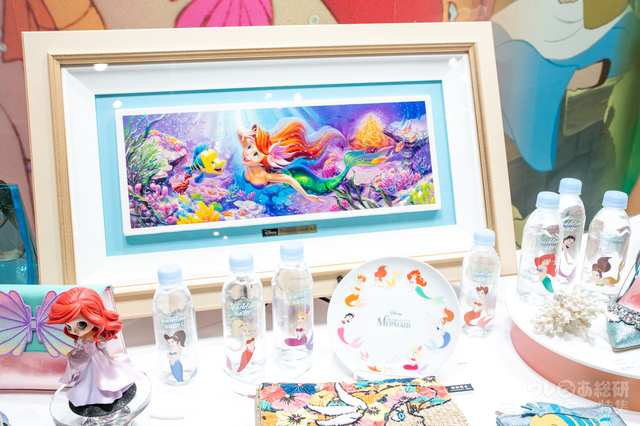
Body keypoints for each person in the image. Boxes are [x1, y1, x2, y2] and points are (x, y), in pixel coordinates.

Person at [46, 287, 138, 409]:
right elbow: (81, 348)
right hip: (87, 361)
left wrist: (109, 356)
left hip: (99, 360)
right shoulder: (82, 339)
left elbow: (102, 347)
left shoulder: (96, 337)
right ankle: (90, 395)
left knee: (105, 376)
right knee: (88, 378)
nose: (74, 331)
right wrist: (74, 352)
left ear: (94, 317)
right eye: (68, 326)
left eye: (81, 324)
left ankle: (105, 394)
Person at [236, 119, 343, 202]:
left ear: (262, 161)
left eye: (255, 154)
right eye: (249, 147)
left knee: (313, 183)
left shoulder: (266, 176)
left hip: (290, 177)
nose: (247, 153)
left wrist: (307, 196)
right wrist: (244, 132)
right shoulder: (249, 158)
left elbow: (290, 180)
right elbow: (239, 131)